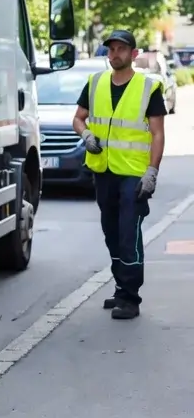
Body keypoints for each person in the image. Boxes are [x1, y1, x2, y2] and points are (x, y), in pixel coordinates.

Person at [72, 29, 166, 320]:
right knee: (111, 232)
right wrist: (86, 135)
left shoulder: (148, 87)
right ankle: (121, 285)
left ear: (134, 54)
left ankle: (130, 297)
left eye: (121, 49)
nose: (115, 54)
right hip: (104, 171)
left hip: (134, 175)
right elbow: (78, 118)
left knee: (128, 233)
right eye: (111, 49)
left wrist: (152, 172)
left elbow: (157, 133)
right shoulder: (95, 82)